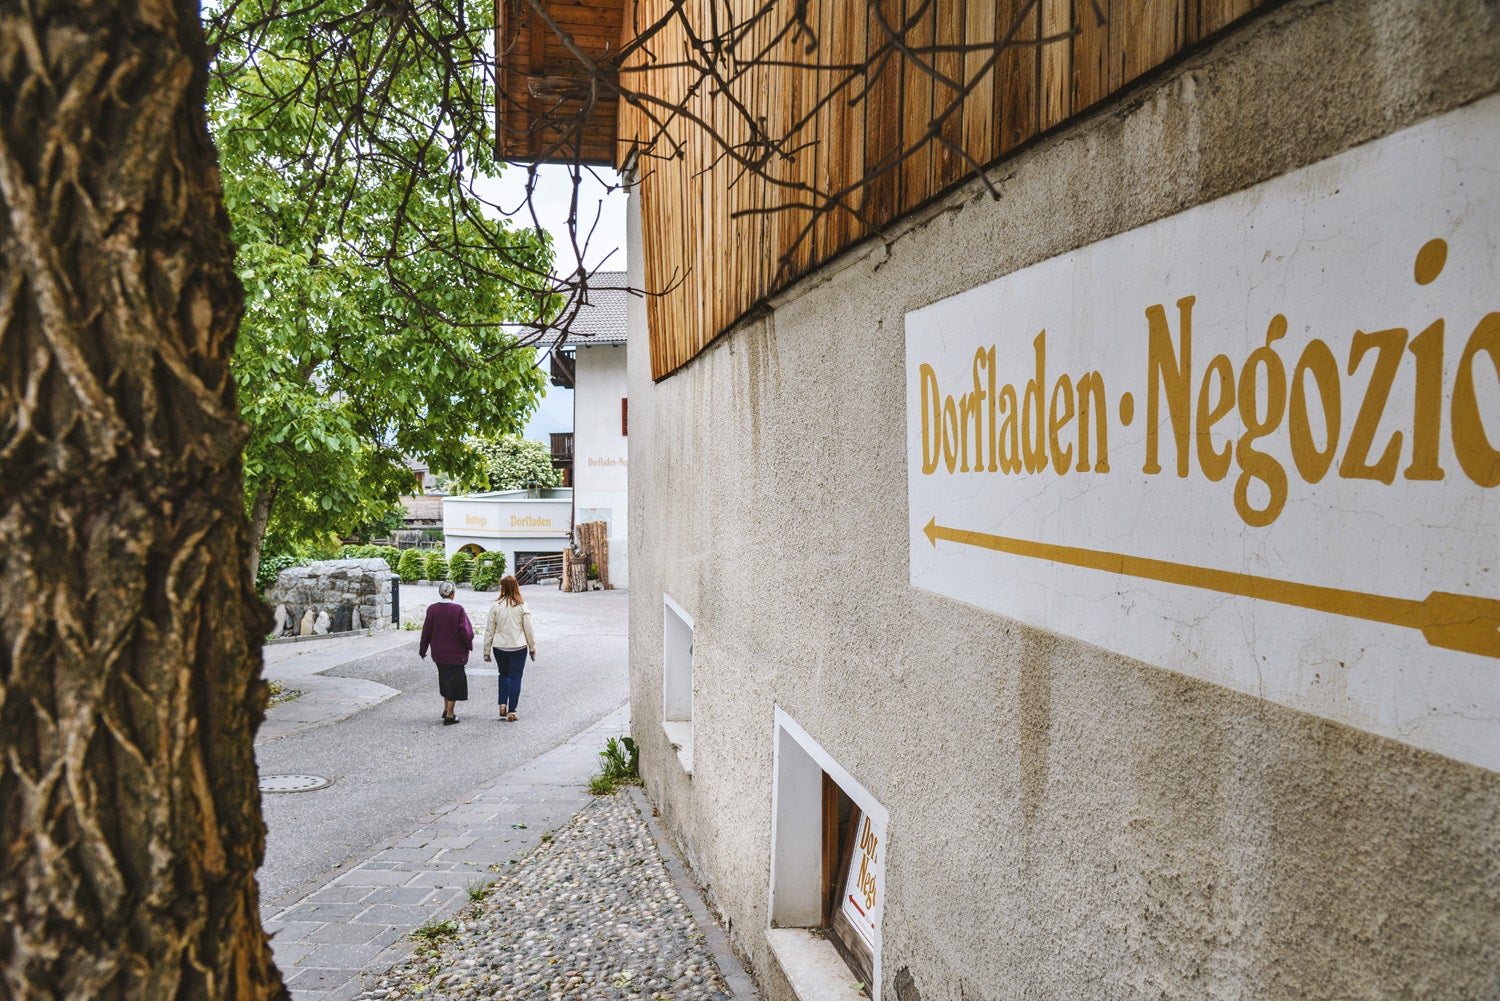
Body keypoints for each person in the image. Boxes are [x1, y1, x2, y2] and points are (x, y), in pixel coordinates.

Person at [482, 574, 537, 721]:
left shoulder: (496, 606)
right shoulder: (522, 606)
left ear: (502, 587)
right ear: (516, 587)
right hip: (518, 646)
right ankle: (512, 710)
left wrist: (486, 650)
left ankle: (502, 704)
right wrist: (532, 647)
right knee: (515, 678)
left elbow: (489, 629)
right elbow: (529, 629)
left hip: (500, 647)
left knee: (503, 675)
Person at [419, 580, 474, 725]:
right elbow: (466, 632)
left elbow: (426, 631)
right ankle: (450, 715)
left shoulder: (432, 609)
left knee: (444, 680)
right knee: (454, 683)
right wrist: (469, 645)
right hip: (455, 653)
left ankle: (446, 708)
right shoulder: (458, 610)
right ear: (453, 593)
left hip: (439, 653)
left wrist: (423, 649)